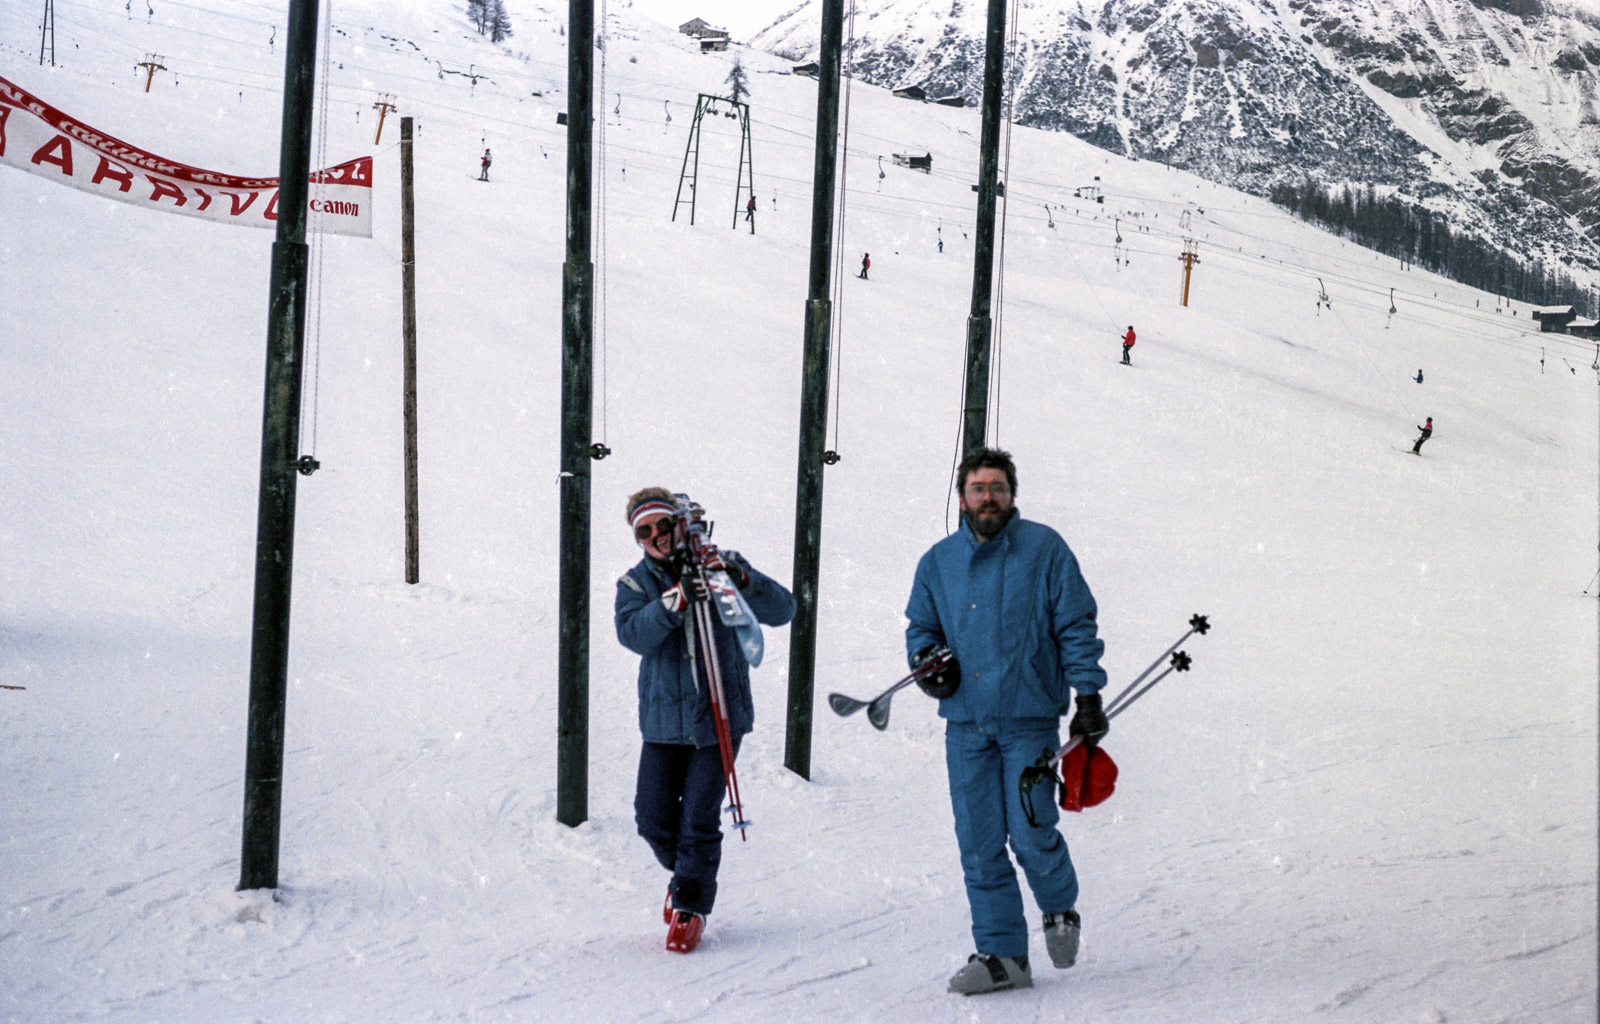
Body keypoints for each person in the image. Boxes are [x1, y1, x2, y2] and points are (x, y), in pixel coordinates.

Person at [904, 449, 1109, 995]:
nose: (987, 496)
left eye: (997, 487)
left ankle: (1059, 906)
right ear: (962, 497)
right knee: (978, 841)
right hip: (966, 723)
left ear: (1011, 494)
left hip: (1028, 719)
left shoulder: (1045, 550)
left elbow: (1075, 624)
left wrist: (1087, 695)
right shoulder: (938, 562)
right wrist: (928, 666)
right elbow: (921, 628)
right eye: (977, 488)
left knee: (1031, 830)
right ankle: (1003, 956)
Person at [614, 488, 796, 954]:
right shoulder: (635, 585)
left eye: (662, 525)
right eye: (644, 531)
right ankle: (685, 879)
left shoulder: (721, 562)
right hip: (663, 723)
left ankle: (690, 905)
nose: (656, 536)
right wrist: (672, 603)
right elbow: (633, 634)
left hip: (720, 715)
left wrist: (736, 576)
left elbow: (782, 609)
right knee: (652, 818)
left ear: (679, 523)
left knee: (698, 817)